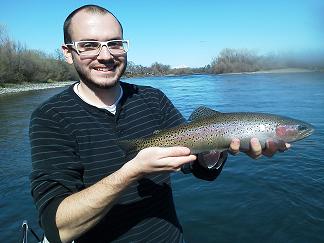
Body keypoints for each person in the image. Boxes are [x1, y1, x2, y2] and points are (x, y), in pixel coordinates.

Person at [29, 4, 289, 243]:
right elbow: (58, 228)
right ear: (67, 53)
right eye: (89, 45)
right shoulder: (50, 117)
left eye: (115, 43)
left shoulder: (153, 99)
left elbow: (198, 169)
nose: (105, 55)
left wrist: (219, 148)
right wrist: (132, 171)